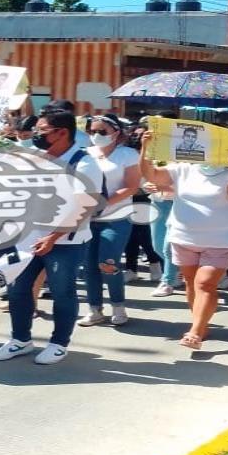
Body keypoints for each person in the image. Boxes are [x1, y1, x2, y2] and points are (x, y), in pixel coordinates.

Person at [0, 110, 105, 365]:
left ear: (62, 132)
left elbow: (83, 208)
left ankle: (59, 343)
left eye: (42, 131)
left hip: (65, 242)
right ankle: (20, 339)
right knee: (17, 289)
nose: (36, 136)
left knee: (62, 291)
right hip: (28, 238)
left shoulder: (84, 163)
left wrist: (53, 237)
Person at [140, 131, 228, 349]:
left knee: (205, 284)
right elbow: (151, 175)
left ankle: (195, 331)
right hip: (183, 237)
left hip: (219, 241)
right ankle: (200, 323)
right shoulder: (182, 169)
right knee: (191, 283)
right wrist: (145, 148)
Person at [77, 115, 141, 326]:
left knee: (108, 262)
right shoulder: (85, 154)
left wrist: (104, 203)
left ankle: (118, 305)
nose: (96, 136)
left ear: (116, 132)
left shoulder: (128, 154)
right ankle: (94, 309)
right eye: (92, 131)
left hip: (116, 217)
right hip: (87, 219)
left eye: (102, 132)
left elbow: (131, 185)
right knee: (88, 265)